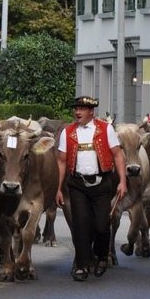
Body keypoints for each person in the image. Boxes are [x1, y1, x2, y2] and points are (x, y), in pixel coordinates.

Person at [55, 96, 128, 281]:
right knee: (80, 226)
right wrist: (58, 188)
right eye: (76, 108)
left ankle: (101, 256)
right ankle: (81, 265)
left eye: (82, 109)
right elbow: (62, 161)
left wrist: (122, 181)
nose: (77, 112)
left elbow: (118, 156)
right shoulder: (68, 132)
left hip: (102, 183)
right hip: (77, 184)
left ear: (91, 112)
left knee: (102, 226)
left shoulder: (105, 129)